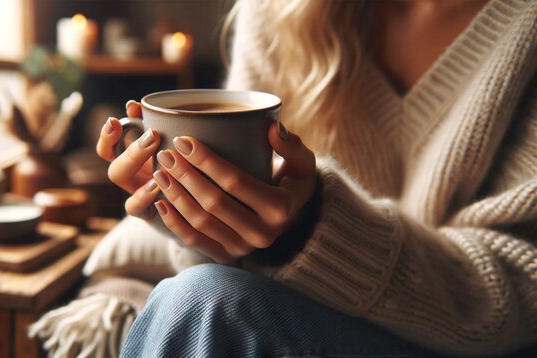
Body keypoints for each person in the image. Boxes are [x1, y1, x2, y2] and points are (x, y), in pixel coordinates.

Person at [96, 0, 537, 356]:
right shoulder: (278, 13)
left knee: (203, 303)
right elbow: (226, 270)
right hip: (288, 314)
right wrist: (187, 219)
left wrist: (309, 227)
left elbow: (525, 283)